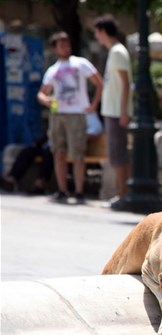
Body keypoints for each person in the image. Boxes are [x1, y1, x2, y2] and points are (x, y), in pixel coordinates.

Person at [37, 31, 103, 205]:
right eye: (61, 44)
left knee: (78, 153)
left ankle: (79, 191)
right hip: (58, 114)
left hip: (76, 113)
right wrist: (47, 101)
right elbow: (41, 94)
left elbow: (99, 83)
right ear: (55, 48)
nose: (65, 47)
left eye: (67, 43)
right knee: (58, 151)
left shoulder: (81, 63)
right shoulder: (53, 70)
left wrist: (94, 104)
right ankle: (62, 189)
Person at [93, 14, 133, 210]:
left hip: (117, 111)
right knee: (117, 155)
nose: (96, 37)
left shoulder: (117, 52)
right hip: (114, 110)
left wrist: (124, 111)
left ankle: (123, 195)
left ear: (102, 31)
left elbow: (126, 83)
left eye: (97, 33)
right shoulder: (115, 52)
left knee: (118, 155)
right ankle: (123, 194)